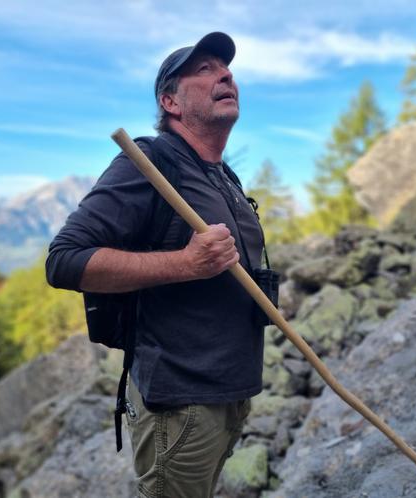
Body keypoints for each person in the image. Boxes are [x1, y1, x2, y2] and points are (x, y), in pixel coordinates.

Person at [45, 32, 265, 498]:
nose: (225, 74)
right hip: (181, 402)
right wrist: (186, 264)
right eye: (203, 70)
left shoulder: (223, 175)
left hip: (228, 393)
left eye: (225, 69)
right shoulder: (147, 163)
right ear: (171, 101)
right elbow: (64, 260)